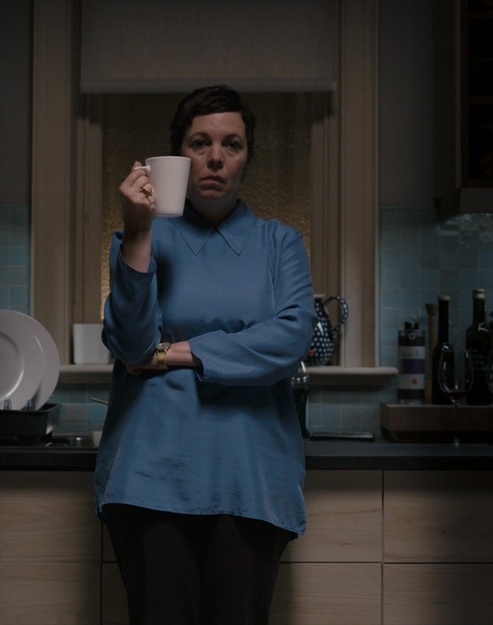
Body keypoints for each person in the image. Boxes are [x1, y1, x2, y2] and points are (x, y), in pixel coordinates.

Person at [96, 84, 316, 625]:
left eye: (232, 144)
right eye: (200, 143)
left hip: (251, 480)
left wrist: (174, 353)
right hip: (150, 479)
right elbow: (128, 344)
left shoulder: (279, 243)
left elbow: (290, 339)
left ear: (247, 158)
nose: (216, 157)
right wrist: (140, 231)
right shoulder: (137, 238)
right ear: (175, 156)